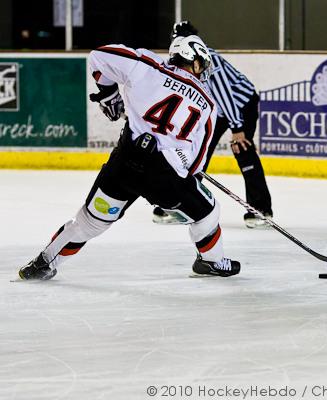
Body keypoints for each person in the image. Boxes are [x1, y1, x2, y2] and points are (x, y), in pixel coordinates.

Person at [18, 35, 241, 280]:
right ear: (193, 60)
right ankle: (212, 262)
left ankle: (42, 263)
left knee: (90, 221)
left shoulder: (147, 65)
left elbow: (98, 56)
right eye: (201, 63)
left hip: (124, 163)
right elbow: (197, 162)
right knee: (208, 213)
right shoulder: (207, 104)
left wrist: (108, 94)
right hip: (164, 179)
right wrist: (183, 168)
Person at [153, 20, 273, 229]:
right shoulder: (181, 60)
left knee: (243, 149)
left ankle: (261, 208)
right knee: (198, 152)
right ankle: (183, 202)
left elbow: (225, 94)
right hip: (217, 110)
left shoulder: (208, 58)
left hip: (242, 105)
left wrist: (237, 129)